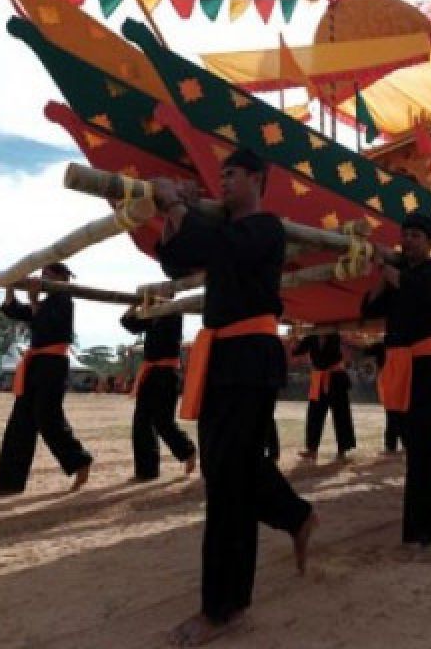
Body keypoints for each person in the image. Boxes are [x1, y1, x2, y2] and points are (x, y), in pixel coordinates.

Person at [153, 148, 317, 647]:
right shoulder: (223, 230)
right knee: (233, 469)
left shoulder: (266, 228)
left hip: (250, 353)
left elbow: (219, 248)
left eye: (230, 175)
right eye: (218, 175)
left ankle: (223, 609)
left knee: (227, 478)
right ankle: (295, 516)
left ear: (256, 180)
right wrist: (172, 214)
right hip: (224, 356)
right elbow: (178, 258)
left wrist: (181, 207)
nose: (221, 182)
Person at [362, 213, 431, 544]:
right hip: (401, 369)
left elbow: (424, 293)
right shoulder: (399, 275)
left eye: (415, 236)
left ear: (429, 242)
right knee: (420, 446)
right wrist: (383, 272)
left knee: (423, 453)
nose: (408, 241)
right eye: (404, 235)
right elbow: (369, 310)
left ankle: (420, 535)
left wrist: (391, 270)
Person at [0, 262, 93, 495]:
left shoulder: (65, 300)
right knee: (21, 421)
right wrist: (10, 285)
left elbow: (45, 321)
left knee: (47, 417)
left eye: (48, 275)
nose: (42, 277)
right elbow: (14, 310)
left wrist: (34, 300)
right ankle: (9, 483)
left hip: (53, 364)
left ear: (61, 278)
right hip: (36, 363)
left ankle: (79, 460)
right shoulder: (46, 302)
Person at [120, 275, 198, 482]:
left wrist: (147, 307)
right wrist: (135, 304)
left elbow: (147, 320)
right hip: (150, 373)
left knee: (163, 421)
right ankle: (147, 471)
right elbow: (128, 323)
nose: (155, 294)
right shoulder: (152, 313)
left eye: (159, 291)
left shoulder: (174, 310)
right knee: (141, 422)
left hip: (166, 373)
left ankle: (187, 450)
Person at [292, 330, 357, 461]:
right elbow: (297, 352)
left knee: (341, 414)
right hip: (319, 380)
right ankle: (312, 450)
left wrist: (350, 340)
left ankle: (342, 450)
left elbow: (349, 347)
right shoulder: (310, 337)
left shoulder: (336, 335)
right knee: (314, 415)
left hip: (336, 378)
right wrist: (295, 340)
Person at [364, 341, 404, 453]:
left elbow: (367, 351)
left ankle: (392, 446)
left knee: (393, 416)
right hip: (396, 380)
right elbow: (367, 351)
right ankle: (400, 443)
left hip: (392, 381)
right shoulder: (382, 344)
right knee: (400, 415)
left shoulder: (381, 344)